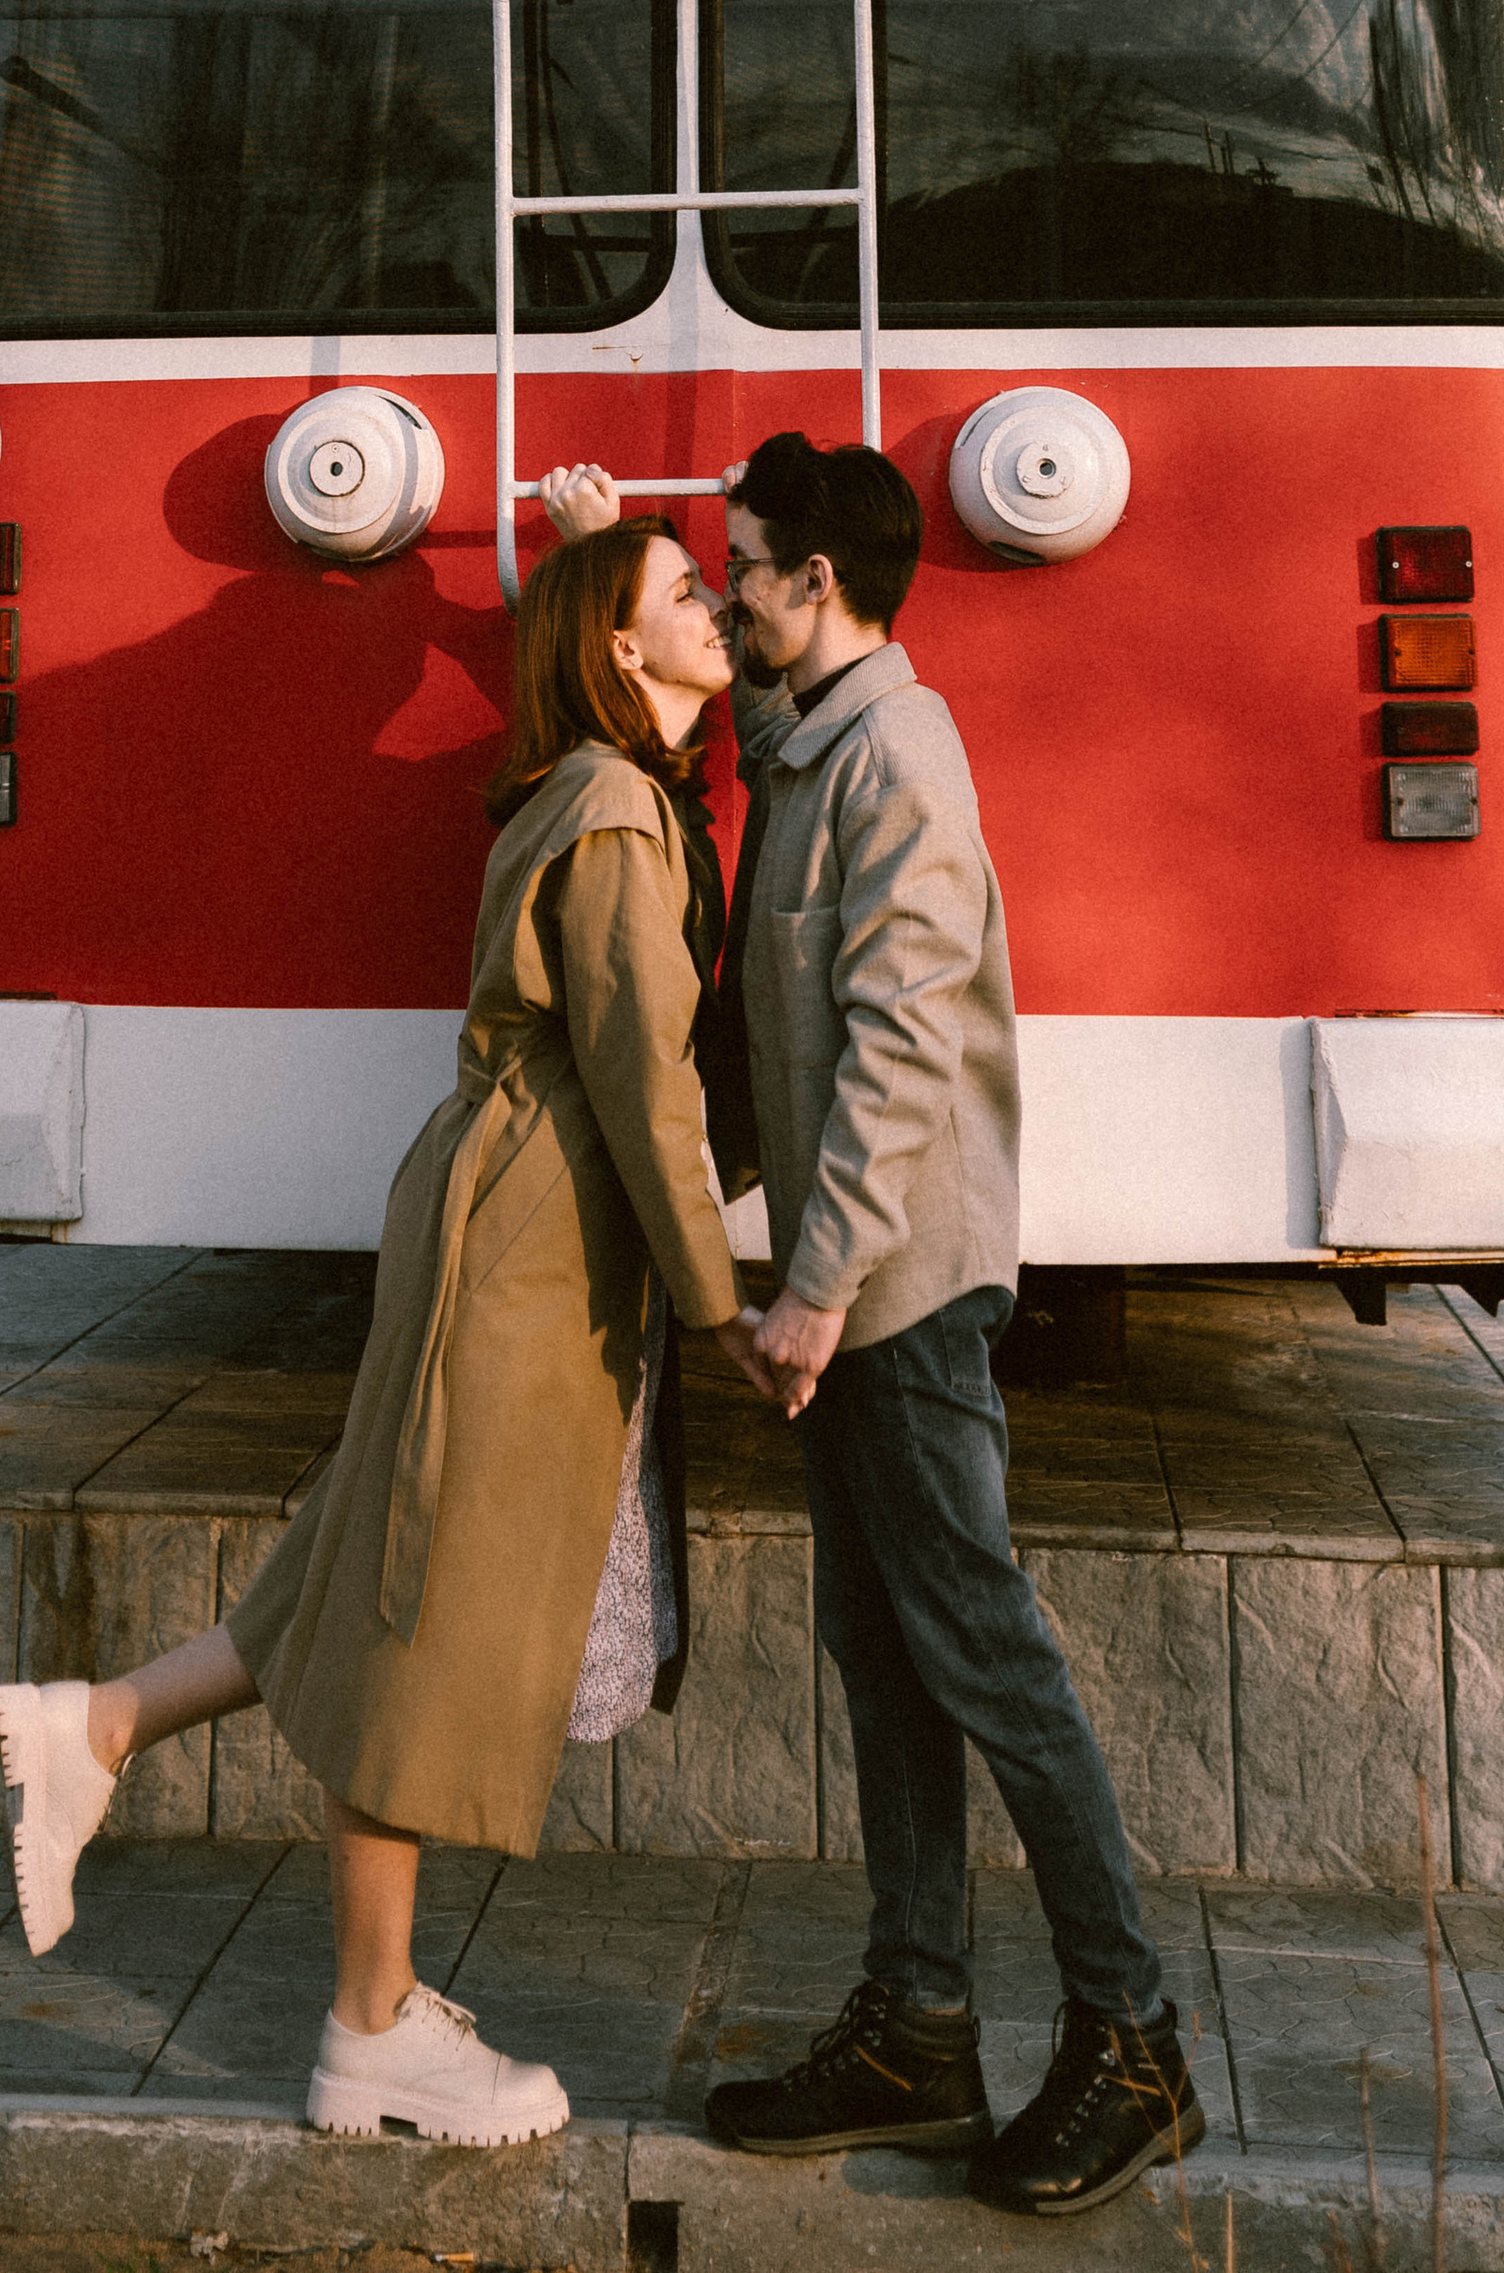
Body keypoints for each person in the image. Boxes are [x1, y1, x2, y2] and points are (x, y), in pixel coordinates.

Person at [0, 518, 774, 2150]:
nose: (720, 607)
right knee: (419, 1605)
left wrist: (580, 557)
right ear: (627, 656)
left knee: (368, 1547)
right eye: (685, 595)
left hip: (501, 1209)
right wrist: (724, 1303)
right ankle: (369, 2030)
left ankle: (100, 1725)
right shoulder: (621, 808)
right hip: (533, 1234)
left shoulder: (592, 783)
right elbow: (643, 1077)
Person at [540, 438, 1201, 2218]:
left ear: (813, 588)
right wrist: (612, 554)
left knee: (982, 1652)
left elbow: (904, 1051)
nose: (727, 590)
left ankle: (1132, 2042)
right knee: (890, 1655)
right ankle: (918, 2029)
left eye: (739, 567)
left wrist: (813, 1287)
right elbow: (741, 732)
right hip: (860, 1292)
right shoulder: (820, 731)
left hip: (896, 1293)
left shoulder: (902, 757)